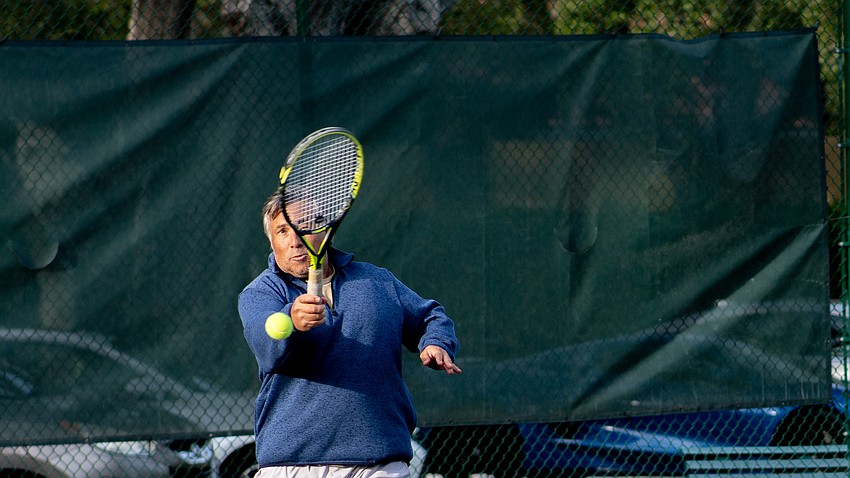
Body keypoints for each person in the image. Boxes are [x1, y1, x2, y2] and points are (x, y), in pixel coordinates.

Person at [238, 188, 462, 477]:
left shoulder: (377, 281)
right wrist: (291, 319)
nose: (294, 241)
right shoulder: (260, 293)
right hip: (291, 465)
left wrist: (435, 341)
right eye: (282, 231)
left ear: (327, 230)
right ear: (272, 241)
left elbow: (430, 316)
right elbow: (265, 342)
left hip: (378, 464)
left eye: (304, 226)